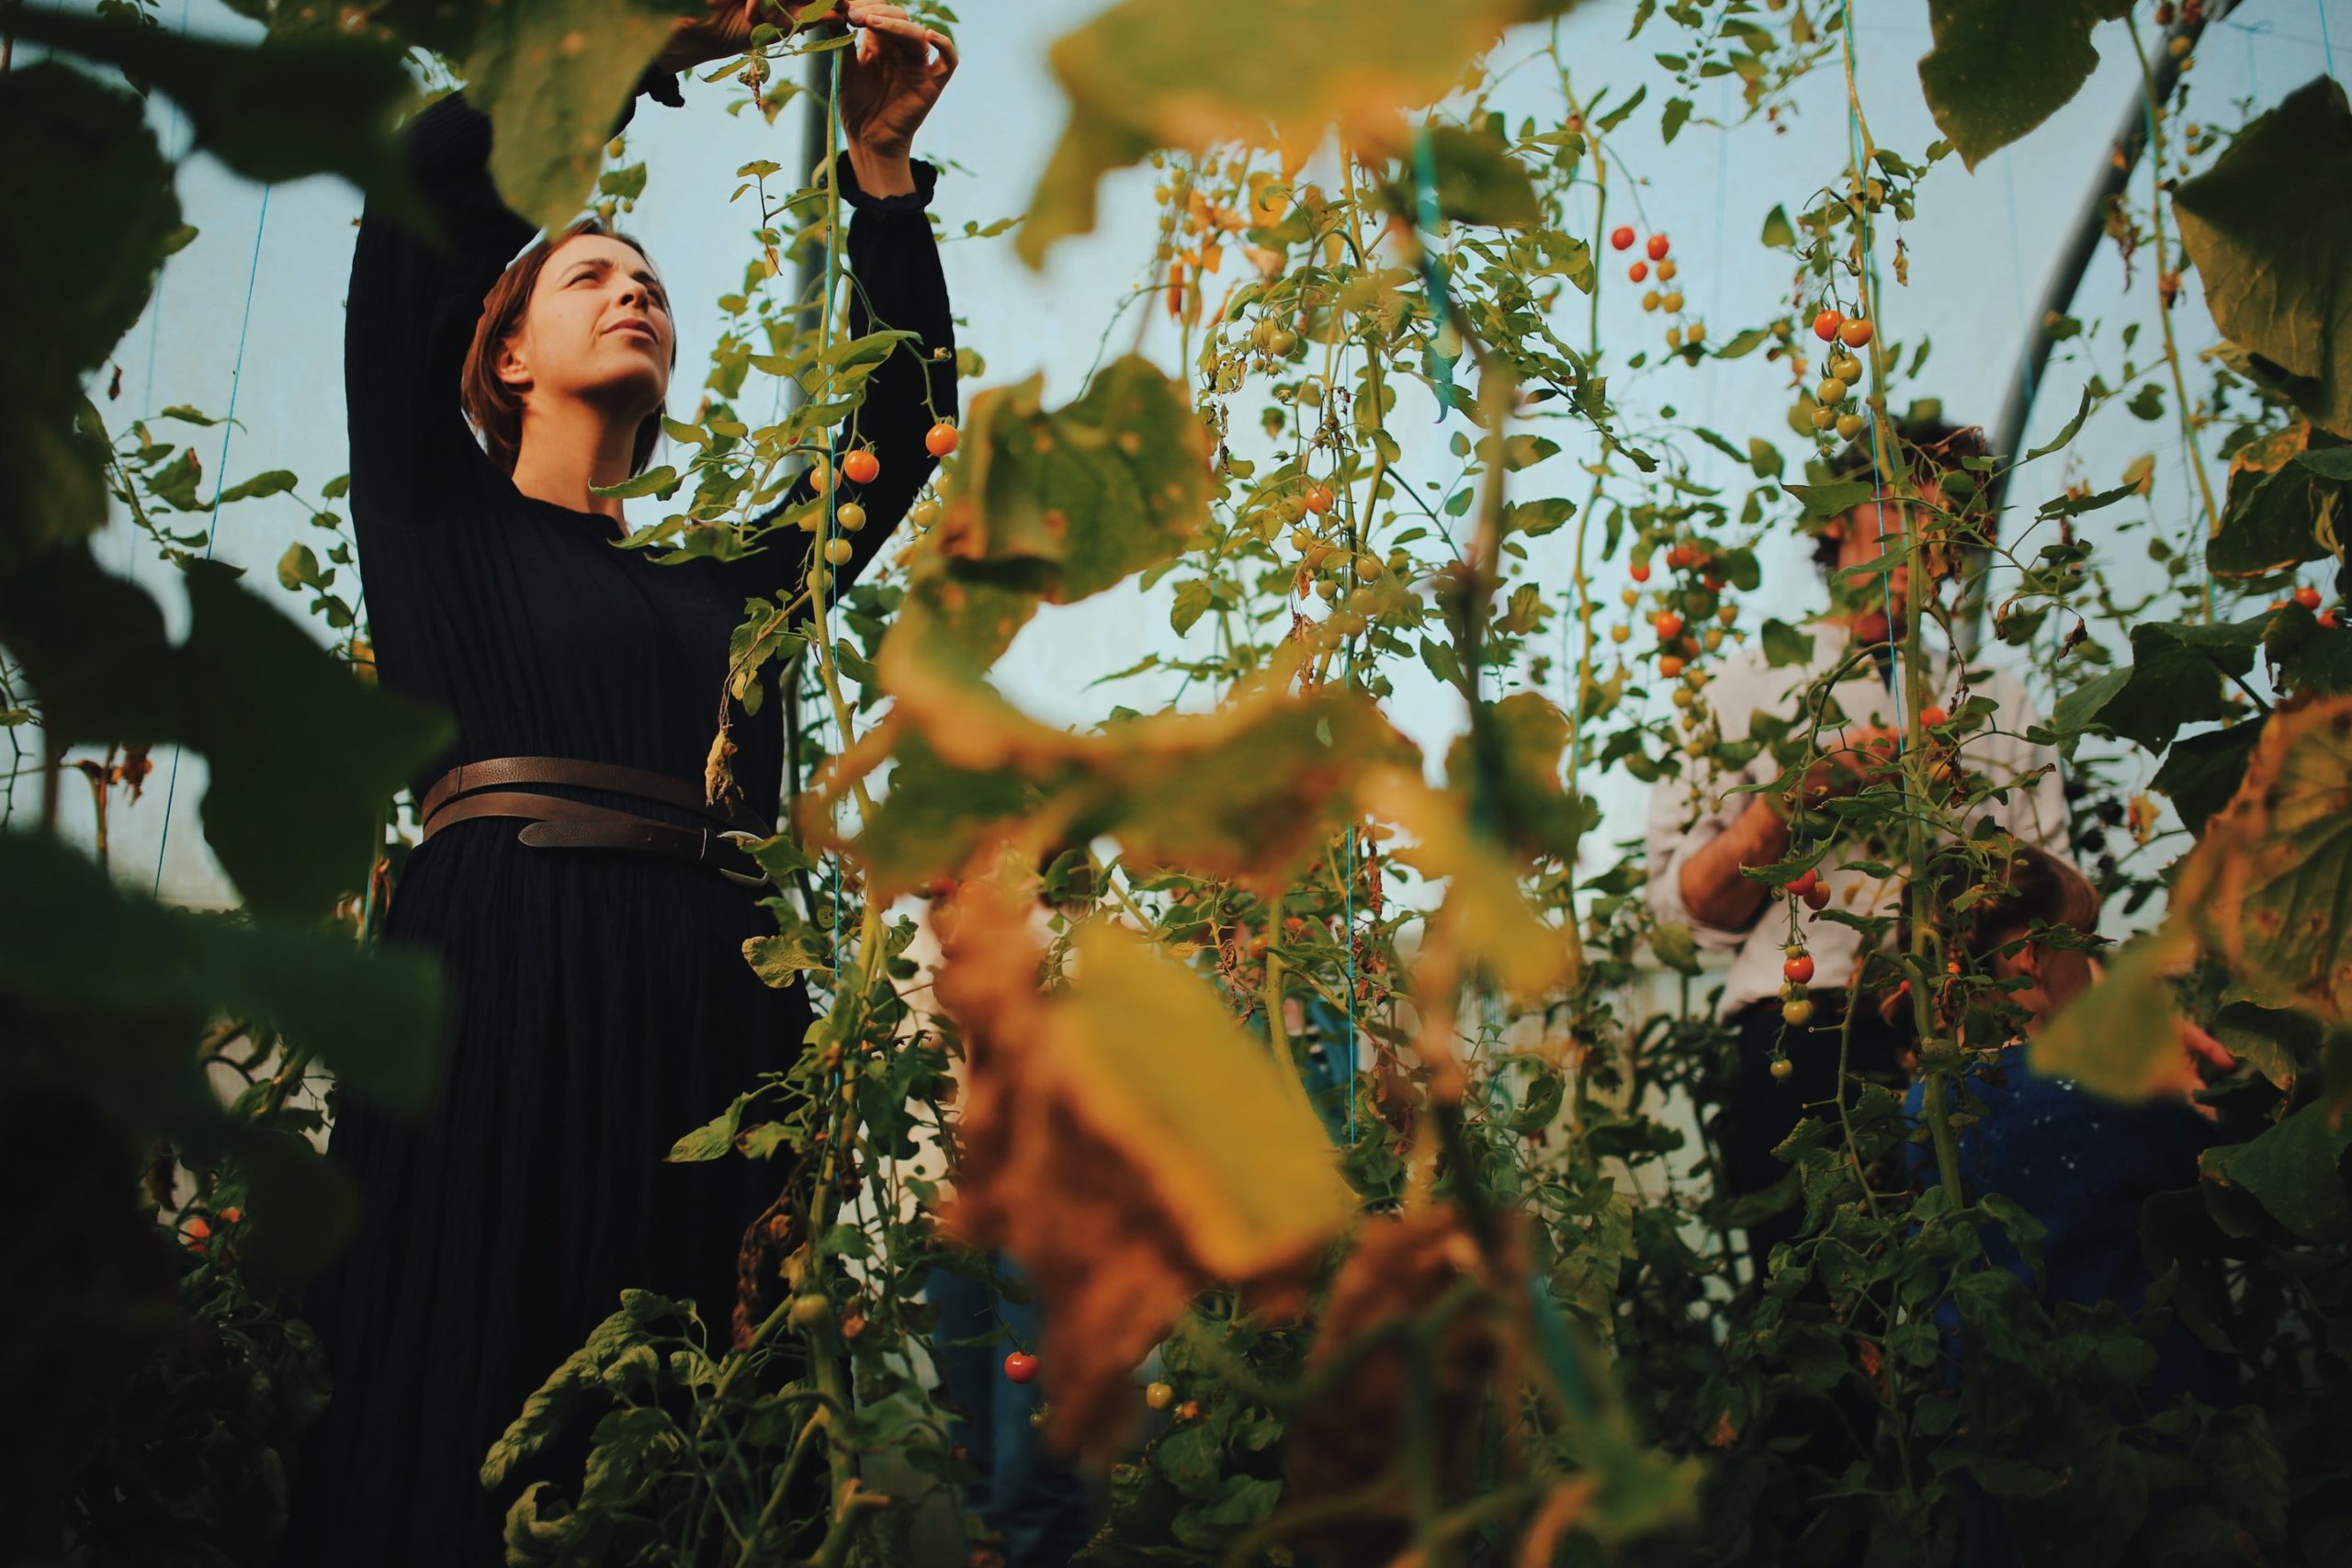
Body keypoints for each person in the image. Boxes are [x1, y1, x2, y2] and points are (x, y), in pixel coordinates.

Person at [280, 5, 957, 1562]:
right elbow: (419, 207)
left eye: (650, 280)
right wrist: (642, 33)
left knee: (698, 1422)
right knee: (472, 1374)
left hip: (716, 1009)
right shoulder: (436, 517)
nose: (636, 287)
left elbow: (906, 424)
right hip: (507, 968)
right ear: (503, 350)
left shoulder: (733, 584)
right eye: (590, 272)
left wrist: (879, 168)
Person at [1644, 418, 2070, 1277]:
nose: (1928, 551)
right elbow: (1684, 912)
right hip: (1808, 1038)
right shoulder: (1752, 682)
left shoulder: (1998, 699)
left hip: (1971, 1042)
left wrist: (1981, 854)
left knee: (1979, 1323)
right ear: (1838, 522)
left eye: (1952, 532)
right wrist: (1792, 803)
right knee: (1824, 1331)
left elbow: (2055, 912)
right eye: (1904, 521)